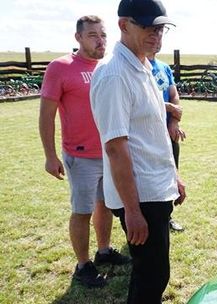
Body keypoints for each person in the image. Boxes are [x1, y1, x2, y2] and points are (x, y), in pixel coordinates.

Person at [90, 0, 186, 302]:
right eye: (148, 27)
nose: (156, 35)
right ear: (124, 25)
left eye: (160, 28)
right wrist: (132, 210)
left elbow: (152, 132)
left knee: (155, 273)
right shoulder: (115, 74)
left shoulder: (143, 65)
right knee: (150, 276)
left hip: (155, 188)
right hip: (140, 196)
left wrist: (174, 178)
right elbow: (116, 148)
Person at [38, 15, 130, 289]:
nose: (100, 40)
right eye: (92, 35)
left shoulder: (108, 66)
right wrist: (50, 155)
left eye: (102, 34)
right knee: (82, 211)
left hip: (109, 153)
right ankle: (83, 265)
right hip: (80, 156)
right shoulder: (61, 67)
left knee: (107, 205)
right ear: (78, 37)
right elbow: (46, 115)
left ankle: (103, 251)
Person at [148, 41, 186, 232]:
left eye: (160, 35)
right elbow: (145, 101)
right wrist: (170, 108)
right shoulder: (138, 68)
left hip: (168, 133)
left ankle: (167, 217)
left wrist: (174, 122)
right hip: (147, 134)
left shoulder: (163, 67)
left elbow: (174, 94)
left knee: (171, 175)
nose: (156, 39)